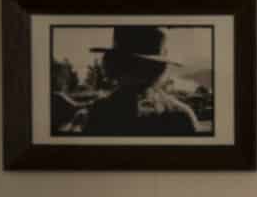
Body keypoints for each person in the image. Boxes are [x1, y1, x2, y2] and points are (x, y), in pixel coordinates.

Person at [63, 25, 205, 138]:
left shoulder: (97, 115)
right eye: (131, 66)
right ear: (160, 68)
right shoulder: (181, 116)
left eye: (135, 67)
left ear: (113, 65)